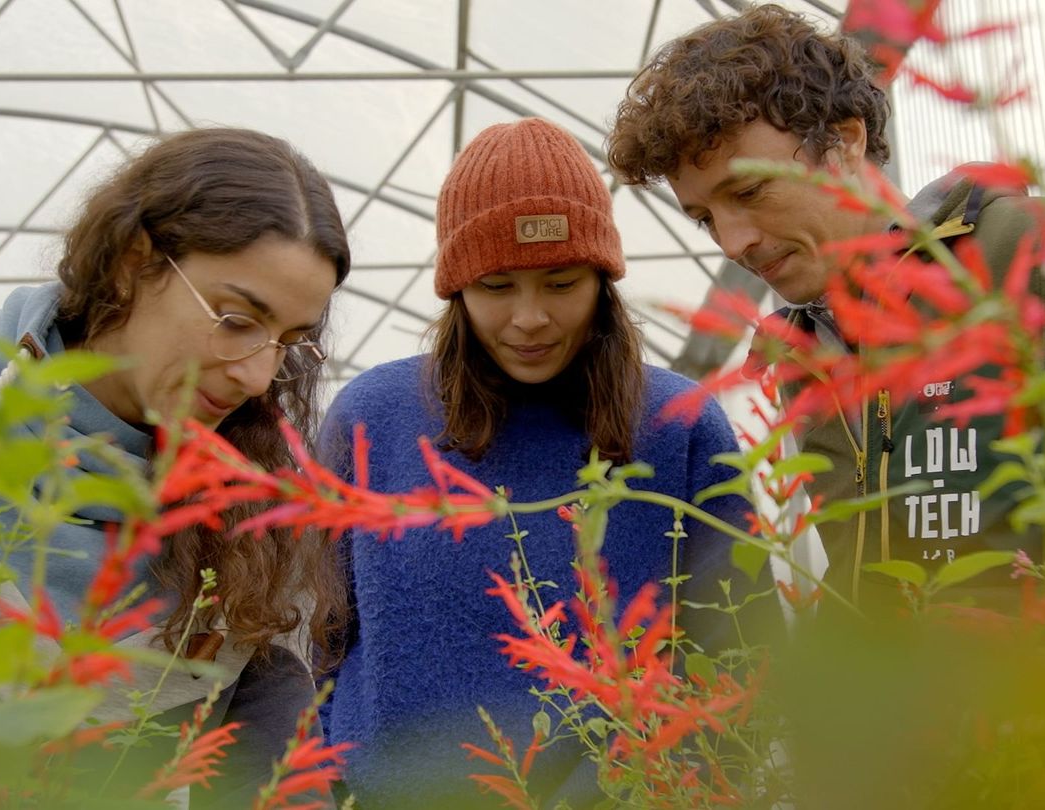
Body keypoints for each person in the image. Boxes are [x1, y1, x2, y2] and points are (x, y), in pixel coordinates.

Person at [605, 3, 1045, 606]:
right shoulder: (802, 358)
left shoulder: (1028, 253)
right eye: (703, 218)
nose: (733, 240)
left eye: (750, 192)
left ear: (844, 144)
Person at [0, 127, 351, 805]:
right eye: (237, 318)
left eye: (289, 343)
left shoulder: (259, 524)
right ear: (135, 261)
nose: (256, 375)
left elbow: (273, 783)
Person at [314, 117, 757, 808]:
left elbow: (734, 661)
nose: (529, 319)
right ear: (456, 288)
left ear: (602, 279)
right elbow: (316, 641)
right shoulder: (373, 418)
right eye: (496, 286)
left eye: (560, 282)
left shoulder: (680, 426)